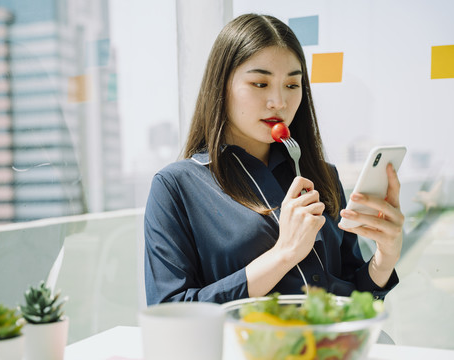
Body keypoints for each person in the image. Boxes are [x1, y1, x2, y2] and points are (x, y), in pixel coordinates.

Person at [143, 13, 403, 305]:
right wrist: (284, 254)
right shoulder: (176, 187)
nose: (279, 101)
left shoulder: (322, 176)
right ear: (221, 86)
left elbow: (352, 299)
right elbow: (170, 311)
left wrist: (385, 258)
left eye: (292, 86)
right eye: (259, 84)